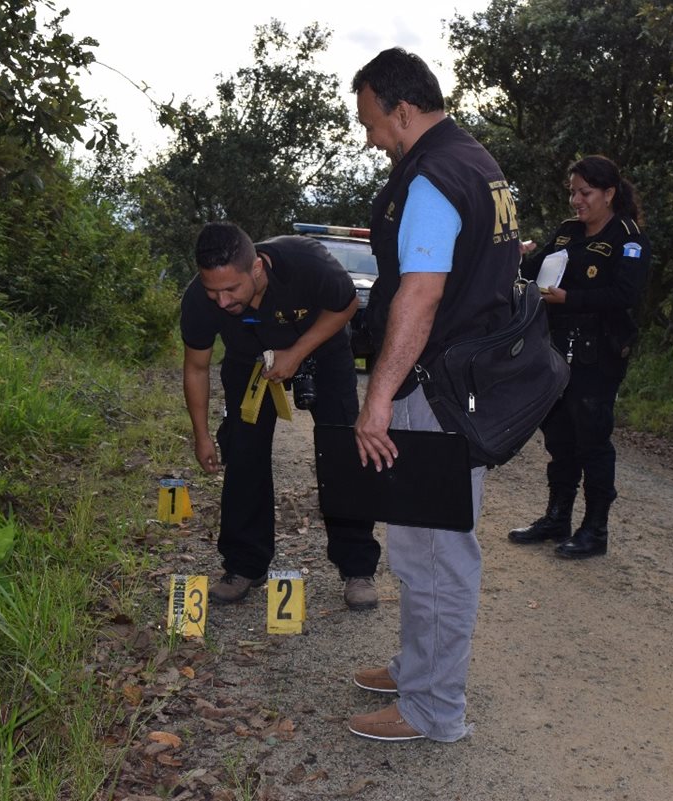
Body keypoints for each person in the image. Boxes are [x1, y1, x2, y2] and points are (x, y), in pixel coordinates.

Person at [345, 48, 521, 742]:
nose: (370, 139)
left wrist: (378, 397)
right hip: (459, 381)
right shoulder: (475, 161)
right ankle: (416, 671)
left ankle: (434, 709)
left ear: (402, 110)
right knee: (418, 547)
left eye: (371, 123)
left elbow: (420, 297)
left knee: (439, 553)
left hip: (438, 390)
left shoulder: (432, 179)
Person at [180, 222, 381, 610]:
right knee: (243, 454)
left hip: (322, 351)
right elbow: (196, 368)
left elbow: (346, 305)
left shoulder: (305, 261)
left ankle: (357, 567)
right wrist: (201, 435)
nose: (221, 301)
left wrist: (297, 353)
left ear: (256, 268)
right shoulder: (199, 300)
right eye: (212, 291)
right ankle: (244, 565)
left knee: (341, 452)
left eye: (231, 290)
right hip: (249, 362)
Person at [507, 155, 651, 559]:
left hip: (598, 354)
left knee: (592, 439)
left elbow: (626, 295)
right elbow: (534, 270)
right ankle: (557, 518)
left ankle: (595, 529)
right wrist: (516, 256)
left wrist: (570, 299)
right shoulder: (568, 231)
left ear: (609, 193)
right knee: (559, 437)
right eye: (572, 192)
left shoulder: (629, 238)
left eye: (585, 192)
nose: (576, 200)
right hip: (556, 350)